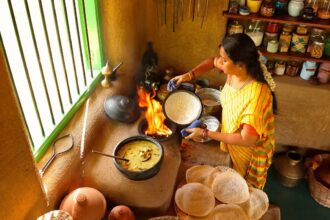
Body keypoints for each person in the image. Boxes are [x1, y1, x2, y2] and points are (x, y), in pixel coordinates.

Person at [169, 33, 277, 189]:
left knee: (238, 187)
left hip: (246, 151)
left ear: (241, 64)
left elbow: (247, 140)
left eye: (224, 60)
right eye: (221, 57)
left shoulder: (256, 96)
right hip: (231, 136)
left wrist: (206, 134)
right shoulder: (236, 70)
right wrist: (188, 75)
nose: (220, 62)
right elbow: (212, 62)